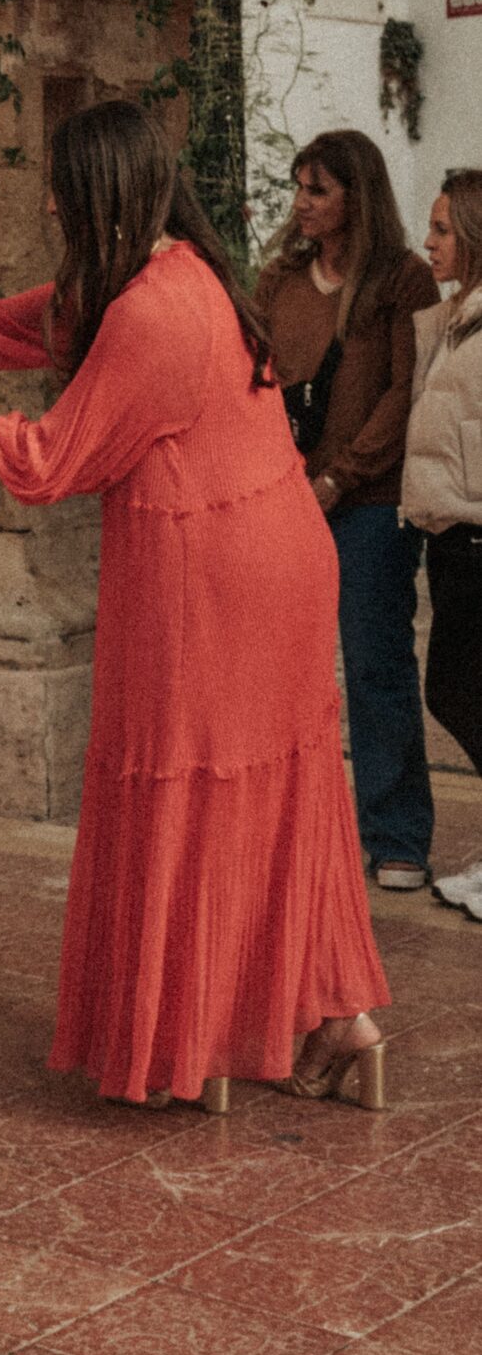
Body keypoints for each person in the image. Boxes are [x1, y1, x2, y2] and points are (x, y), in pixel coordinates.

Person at [0, 99, 390, 1109]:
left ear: (100, 192)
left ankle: (194, 1038)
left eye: (61, 191)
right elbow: (16, 321)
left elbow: (54, 455)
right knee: (272, 790)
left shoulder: (152, 313)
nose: (51, 208)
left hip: (213, 571)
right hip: (269, 552)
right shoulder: (173, 277)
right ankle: (338, 1017)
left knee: (187, 783)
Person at [255, 132, 441, 889]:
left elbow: (406, 391)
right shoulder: (280, 278)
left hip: (369, 501)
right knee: (281, 667)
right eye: (299, 187)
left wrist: (340, 476)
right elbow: (255, 377)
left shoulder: (403, 279)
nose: (302, 202)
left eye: (319, 189)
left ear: (357, 197)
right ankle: (291, 829)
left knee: (374, 663)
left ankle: (396, 836)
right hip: (285, 497)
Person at [408, 171, 482, 918]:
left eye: (442, 229)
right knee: (457, 692)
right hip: (453, 532)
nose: (427, 242)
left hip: (477, 531)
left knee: (459, 692)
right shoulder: (455, 319)